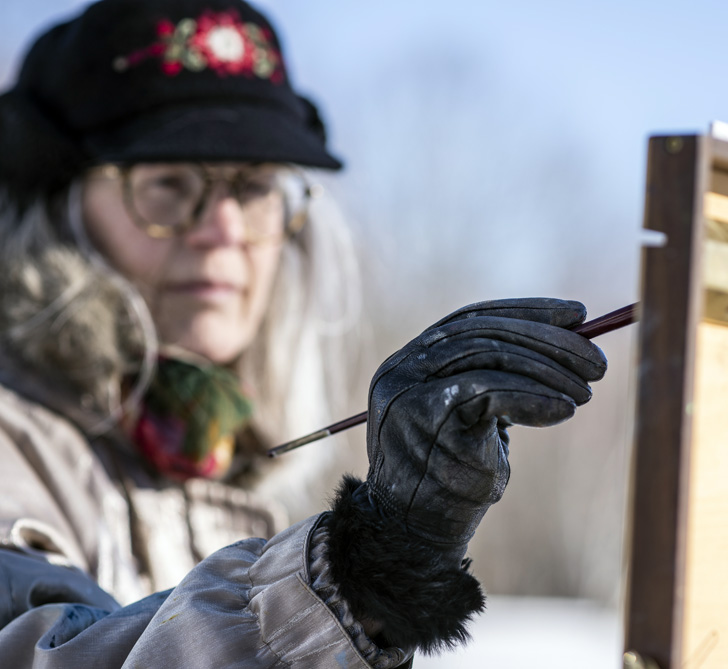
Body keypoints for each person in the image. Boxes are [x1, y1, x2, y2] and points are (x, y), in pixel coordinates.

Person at [0, 0, 608, 666]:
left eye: (255, 186)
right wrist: (360, 578)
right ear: (54, 213)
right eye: (169, 184)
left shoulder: (233, 460)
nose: (226, 229)